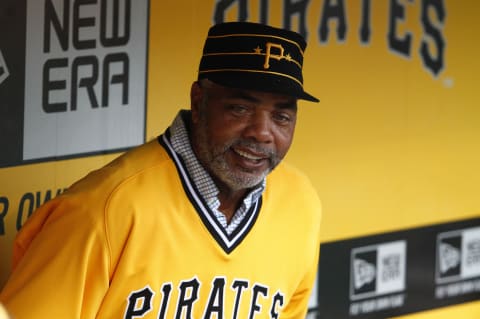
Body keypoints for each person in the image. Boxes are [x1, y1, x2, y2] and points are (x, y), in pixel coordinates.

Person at [0, 22, 322, 318]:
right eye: (240, 108)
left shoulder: (300, 203)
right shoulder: (101, 210)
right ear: (199, 102)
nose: (261, 133)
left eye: (281, 116)